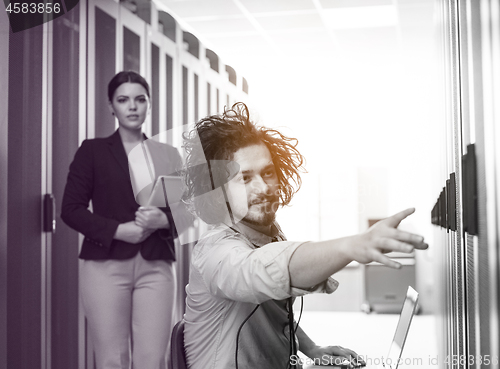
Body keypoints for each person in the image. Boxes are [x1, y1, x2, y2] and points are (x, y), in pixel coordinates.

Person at [181, 103, 429, 369]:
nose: (263, 187)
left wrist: (311, 348)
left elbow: (273, 305)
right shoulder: (214, 251)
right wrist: (352, 246)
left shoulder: (271, 235)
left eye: (268, 173)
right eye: (245, 178)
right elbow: (257, 271)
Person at [61, 71, 184, 369]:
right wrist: (118, 230)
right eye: (123, 100)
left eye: (140, 100)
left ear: (149, 105)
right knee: (111, 360)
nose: (132, 107)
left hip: (156, 267)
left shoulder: (168, 155)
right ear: (111, 106)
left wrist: (164, 220)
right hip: (104, 267)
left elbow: (189, 211)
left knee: (153, 360)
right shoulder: (91, 151)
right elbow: (71, 209)